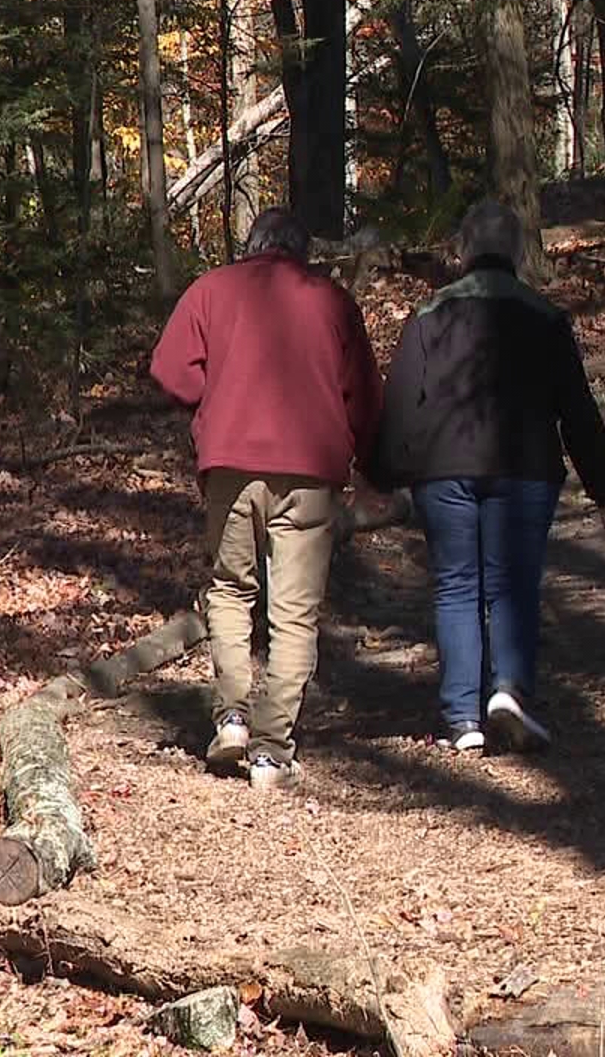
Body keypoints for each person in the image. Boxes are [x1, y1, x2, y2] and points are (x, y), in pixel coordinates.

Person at [364, 199, 605, 753]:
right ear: (518, 252)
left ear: (462, 251)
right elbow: (576, 407)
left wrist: (383, 475)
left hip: (442, 472)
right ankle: (508, 689)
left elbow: (403, 403)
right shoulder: (545, 317)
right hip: (524, 470)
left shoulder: (429, 315)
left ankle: (462, 719)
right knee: (513, 584)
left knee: (456, 587)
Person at [150, 208, 384, 789]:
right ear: (301, 251)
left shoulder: (211, 289)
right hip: (310, 472)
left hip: (229, 463)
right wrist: (373, 465)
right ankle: (272, 749)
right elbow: (365, 398)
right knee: (294, 610)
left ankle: (230, 719)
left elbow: (171, 371)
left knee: (229, 589)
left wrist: (216, 402)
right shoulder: (331, 301)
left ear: (250, 244)